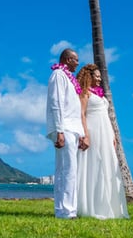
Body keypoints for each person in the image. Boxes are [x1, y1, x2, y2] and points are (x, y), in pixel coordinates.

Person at [76, 63, 129, 219]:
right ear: (89, 76)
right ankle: (91, 206)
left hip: (106, 133)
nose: (99, 79)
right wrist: (85, 134)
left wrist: (113, 135)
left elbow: (106, 117)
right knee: (94, 165)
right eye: (97, 76)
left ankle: (109, 206)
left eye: (100, 76)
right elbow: (82, 114)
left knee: (108, 165)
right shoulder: (85, 93)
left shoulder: (99, 94)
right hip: (93, 131)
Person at [46, 48, 88, 219]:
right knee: (66, 170)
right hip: (64, 128)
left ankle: (66, 210)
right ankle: (66, 211)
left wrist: (81, 133)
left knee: (69, 170)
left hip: (73, 128)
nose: (78, 63)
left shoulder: (69, 79)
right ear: (67, 60)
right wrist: (59, 131)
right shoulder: (58, 75)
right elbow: (56, 102)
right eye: (75, 59)